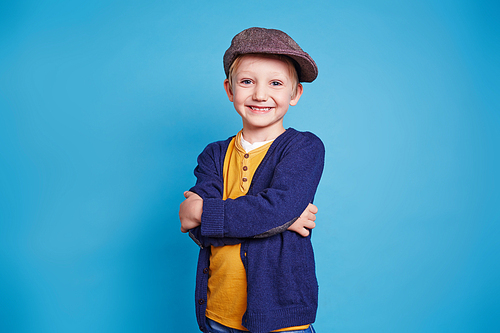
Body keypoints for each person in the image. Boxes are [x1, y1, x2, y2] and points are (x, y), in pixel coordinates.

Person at [179, 27, 325, 333]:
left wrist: (204, 212)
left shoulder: (304, 148)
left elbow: (275, 209)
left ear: (295, 93)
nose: (260, 94)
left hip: (280, 317)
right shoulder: (214, 155)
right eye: (247, 82)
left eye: (275, 83)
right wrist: (281, 221)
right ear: (230, 90)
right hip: (218, 312)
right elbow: (200, 233)